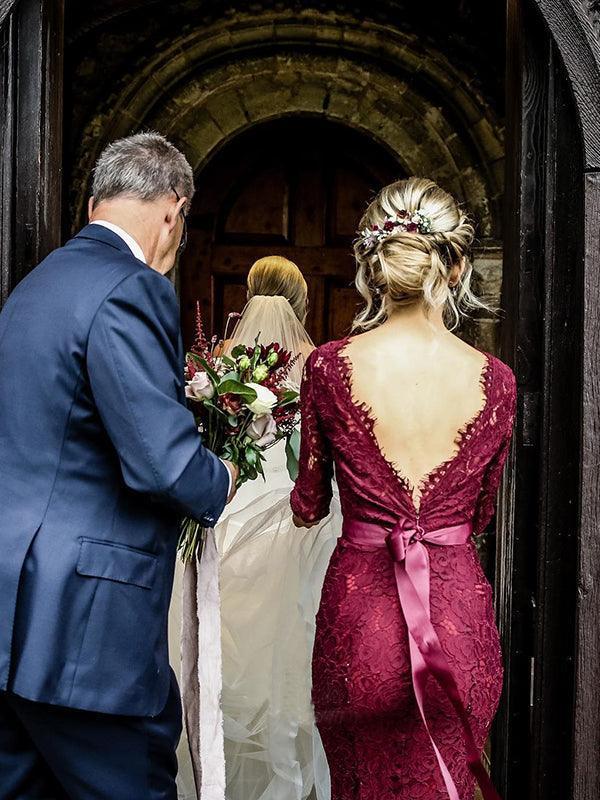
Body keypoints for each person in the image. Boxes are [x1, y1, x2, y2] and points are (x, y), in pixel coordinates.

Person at [0, 132, 237, 800]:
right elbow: (161, 463)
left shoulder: (33, 287)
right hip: (83, 632)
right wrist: (221, 476)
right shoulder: (131, 288)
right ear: (172, 211)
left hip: (12, 621)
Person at [291, 177, 516, 800]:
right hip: (457, 620)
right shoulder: (497, 382)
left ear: (371, 263)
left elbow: (309, 505)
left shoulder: (330, 368)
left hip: (358, 621)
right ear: (458, 265)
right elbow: (482, 511)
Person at [177, 256, 341, 800]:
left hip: (228, 512)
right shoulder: (319, 363)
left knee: (218, 643)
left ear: (247, 295)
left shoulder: (219, 364)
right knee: (288, 647)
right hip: (290, 518)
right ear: (301, 303)